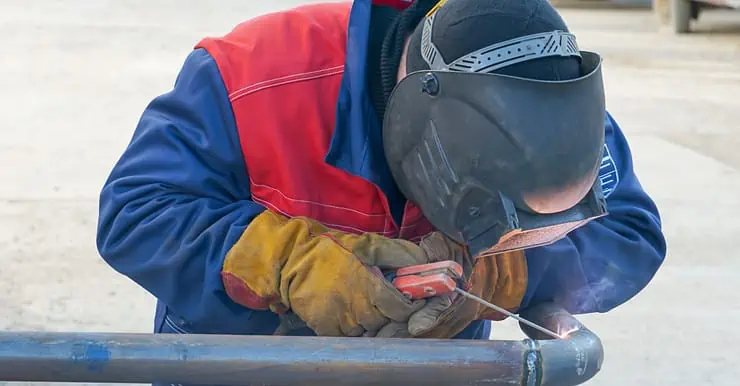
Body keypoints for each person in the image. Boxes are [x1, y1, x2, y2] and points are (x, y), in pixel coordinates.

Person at [96, 0, 667, 342]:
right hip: (248, 366)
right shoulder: (253, 74)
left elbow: (628, 236)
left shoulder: (543, 102)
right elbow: (135, 212)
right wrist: (289, 262)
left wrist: (507, 275)